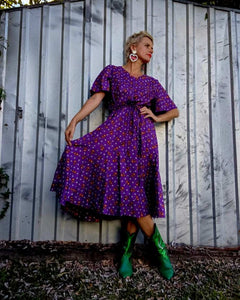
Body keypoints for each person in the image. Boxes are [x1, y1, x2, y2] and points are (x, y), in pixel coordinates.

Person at [51, 31, 179, 280]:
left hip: (143, 141)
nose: (151, 50)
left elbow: (173, 111)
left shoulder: (151, 83)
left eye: (153, 47)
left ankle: (125, 256)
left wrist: (155, 116)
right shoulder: (113, 71)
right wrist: (75, 121)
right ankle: (160, 253)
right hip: (115, 136)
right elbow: (97, 98)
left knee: (135, 196)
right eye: (147, 45)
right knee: (133, 195)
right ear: (133, 47)